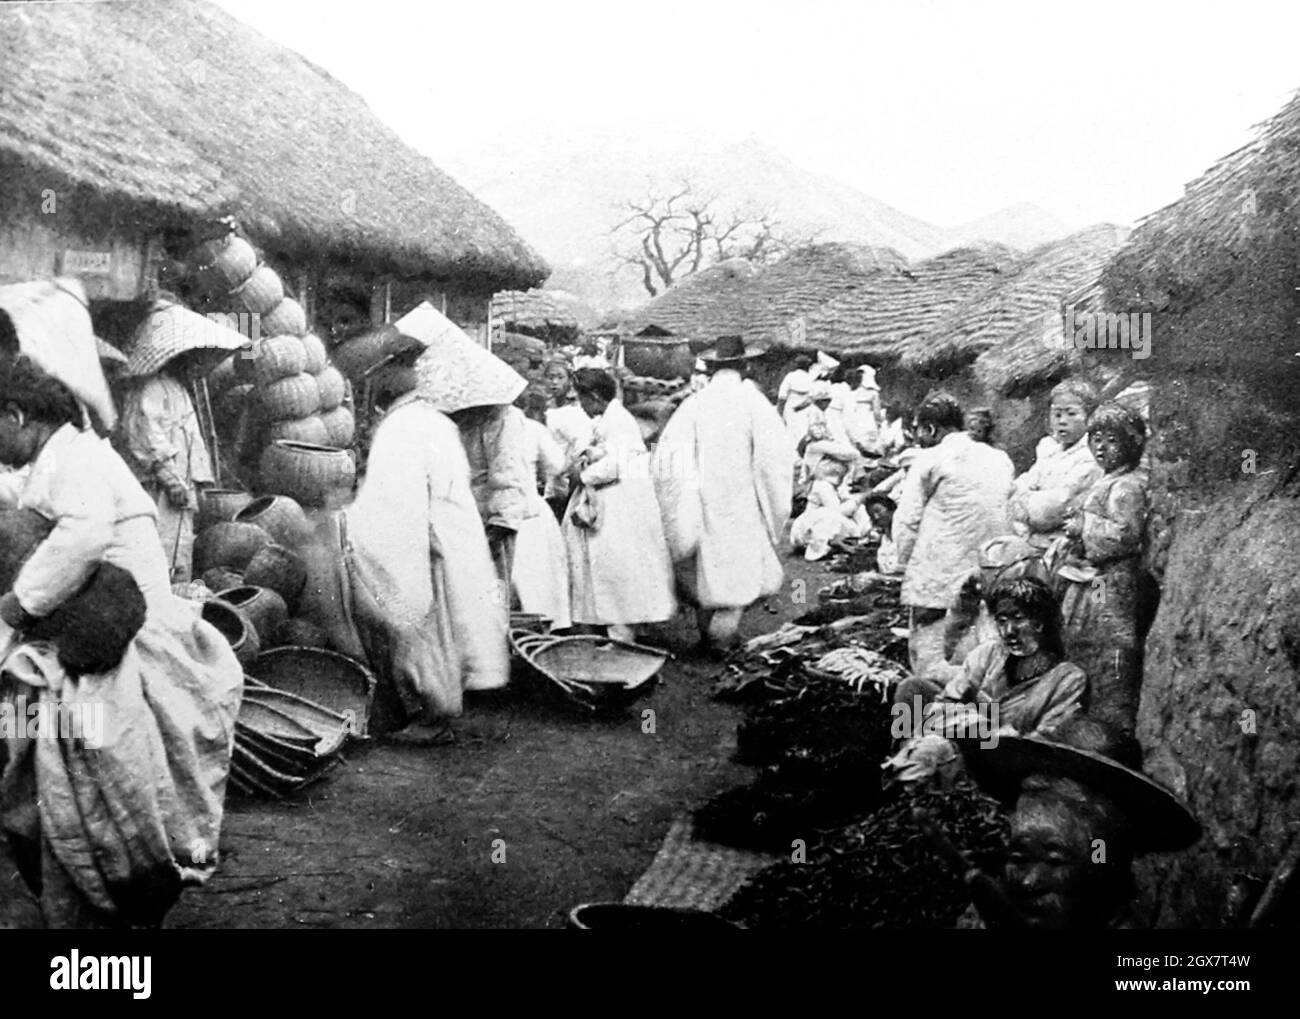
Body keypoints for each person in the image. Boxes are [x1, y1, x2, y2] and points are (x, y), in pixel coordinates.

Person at [0, 283, 241, 928]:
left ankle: (121, 905)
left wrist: (17, 607)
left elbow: (81, 537)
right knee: (49, 771)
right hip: (86, 639)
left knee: (108, 770)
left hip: (121, 642)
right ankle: (92, 907)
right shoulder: (47, 461)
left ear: (19, 418)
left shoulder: (76, 460)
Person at [330, 344, 509, 741]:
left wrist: (354, 523)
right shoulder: (431, 420)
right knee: (440, 628)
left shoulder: (404, 426)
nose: (374, 384)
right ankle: (432, 710)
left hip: (420, 542)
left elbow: (396, 501)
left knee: (420, 628)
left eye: (380, 375)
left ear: (394, 374)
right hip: (443, 537)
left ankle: (433, 715)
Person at [953, 716, 1201, 928]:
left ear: (1105, 872)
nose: (1029, 882)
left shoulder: (1100, 851)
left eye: (1054, 861)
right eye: (1019, 859)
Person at [653, 336, 794, 654]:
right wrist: (774, 504)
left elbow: (668, 456)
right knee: (739, 569)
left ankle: (709, 634)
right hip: (742, 500)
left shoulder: (695, 404)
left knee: (707, 567)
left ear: (712, 366)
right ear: (745, 366)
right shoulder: (754, 403)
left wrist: (680, 501)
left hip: (701, 498)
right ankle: (720, 638)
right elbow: (775, 460)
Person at [116, 302, 246, 583]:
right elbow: (147, 437)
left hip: (181, 486)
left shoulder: (178, 390)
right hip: (159, 486)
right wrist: (171, 480)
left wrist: (197, 481)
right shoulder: (148, 389)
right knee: (155, 548)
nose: (196, 364)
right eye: (191, 357)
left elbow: (193, 441)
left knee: (178, 550)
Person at [892, 392, 1015, 679]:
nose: (918, 438)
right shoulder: (1000, 459)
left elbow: (907, 520)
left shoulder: (931, 458)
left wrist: (904, 565)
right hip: (989, 570)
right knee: (980, 646)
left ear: (931, 429)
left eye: (919, 430)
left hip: (939, 574)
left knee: (931, 656)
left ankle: (933, 712)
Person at [893, 576, 1087, 742]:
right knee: (912, 690)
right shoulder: (988, 654)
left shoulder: (1068, 679)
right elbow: (944, 704)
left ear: (1041, 622)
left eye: (1019, 619)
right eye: (1002, 621)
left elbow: (1051, 738)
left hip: (1012, 763)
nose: (1009, 631)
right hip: (969, 743)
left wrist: (1008, 738)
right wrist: (980, 726)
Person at [1057, 402, 1153, 733]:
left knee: (1112, 645)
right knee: (1089, 639)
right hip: (1096, 578)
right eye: (1095, 437)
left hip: (1113, 579)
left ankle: (1112, 723)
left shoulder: (1127, 485)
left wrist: (1084, 525)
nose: (1101, 446)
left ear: (1131, 442)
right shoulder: (1109, 479)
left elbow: (1125, 535)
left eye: (1111, 439)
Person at [562, 369, 676, 643]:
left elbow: (618, 462)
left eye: (582, 399)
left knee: (616, 568)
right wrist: (593, 453)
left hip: (621, 504)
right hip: (618, 498)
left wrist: (584, 475)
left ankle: (620, 636)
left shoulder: (619, 420)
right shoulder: (613, 418)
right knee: (610, 567)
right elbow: (615, 452)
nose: (581, 406)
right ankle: (609, 629)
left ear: (595, 396)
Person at [1008, 379, 1103, 549]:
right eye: (1057, 414)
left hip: (1065, 545)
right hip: (1033, 539)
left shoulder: (1091, 456)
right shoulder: (1049, 448)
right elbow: (1021, 484)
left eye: (1071, 414)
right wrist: (1025, 496)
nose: (1062, 421)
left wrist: (1024, 499)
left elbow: (1049, 510)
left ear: (1090, 417)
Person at [513, 390, 572, 630]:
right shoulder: (533, 429)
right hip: (529, 507)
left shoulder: (479, 430)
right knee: (538, 570)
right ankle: (545, 623)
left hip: (493, 508)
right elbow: (557, 464)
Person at [541, 356, 594, 521]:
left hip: (564, 484)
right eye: (550, 377)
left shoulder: (572, 413)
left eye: (560, 377)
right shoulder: (548, 409)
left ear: (570, 381)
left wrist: (568, 471)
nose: (554, 382)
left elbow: (581, 447)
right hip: (550, 481)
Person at [789, 457, 871, 562]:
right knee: (830, 516)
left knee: (860, 510)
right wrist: (857, 501)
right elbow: (837, 511)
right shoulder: (822, 486)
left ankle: (861, 539)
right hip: (810, 526)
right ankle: (823, 545)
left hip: (824, 522)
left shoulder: (837, 487)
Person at [776, 354, 816, 445]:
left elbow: (782, 396)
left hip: (791, 406)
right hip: (805, 408)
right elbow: (812, 397)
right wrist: (800, 407)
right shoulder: (810, 378)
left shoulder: (790, 376)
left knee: (791, 431)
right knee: (803, 430)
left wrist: (779, 411)